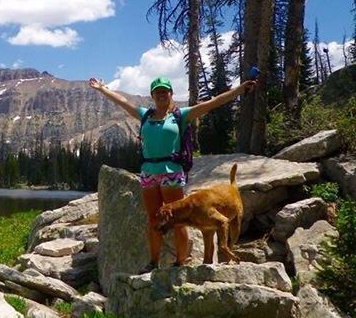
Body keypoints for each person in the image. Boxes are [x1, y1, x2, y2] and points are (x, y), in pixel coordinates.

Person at [88, 75, 256, 273]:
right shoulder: (144, 115)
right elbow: (123, 102)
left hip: (171, 173)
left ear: (170, 93)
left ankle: (180, 261)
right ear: (152, 95)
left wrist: (239, 90)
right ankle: (153, 262)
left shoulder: (180, 115)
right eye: (157, 91)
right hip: (148, 173)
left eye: (164, 91)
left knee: (177, 220)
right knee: (153, 220)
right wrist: (101, 88)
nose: (161, 94)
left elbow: (212, 103)